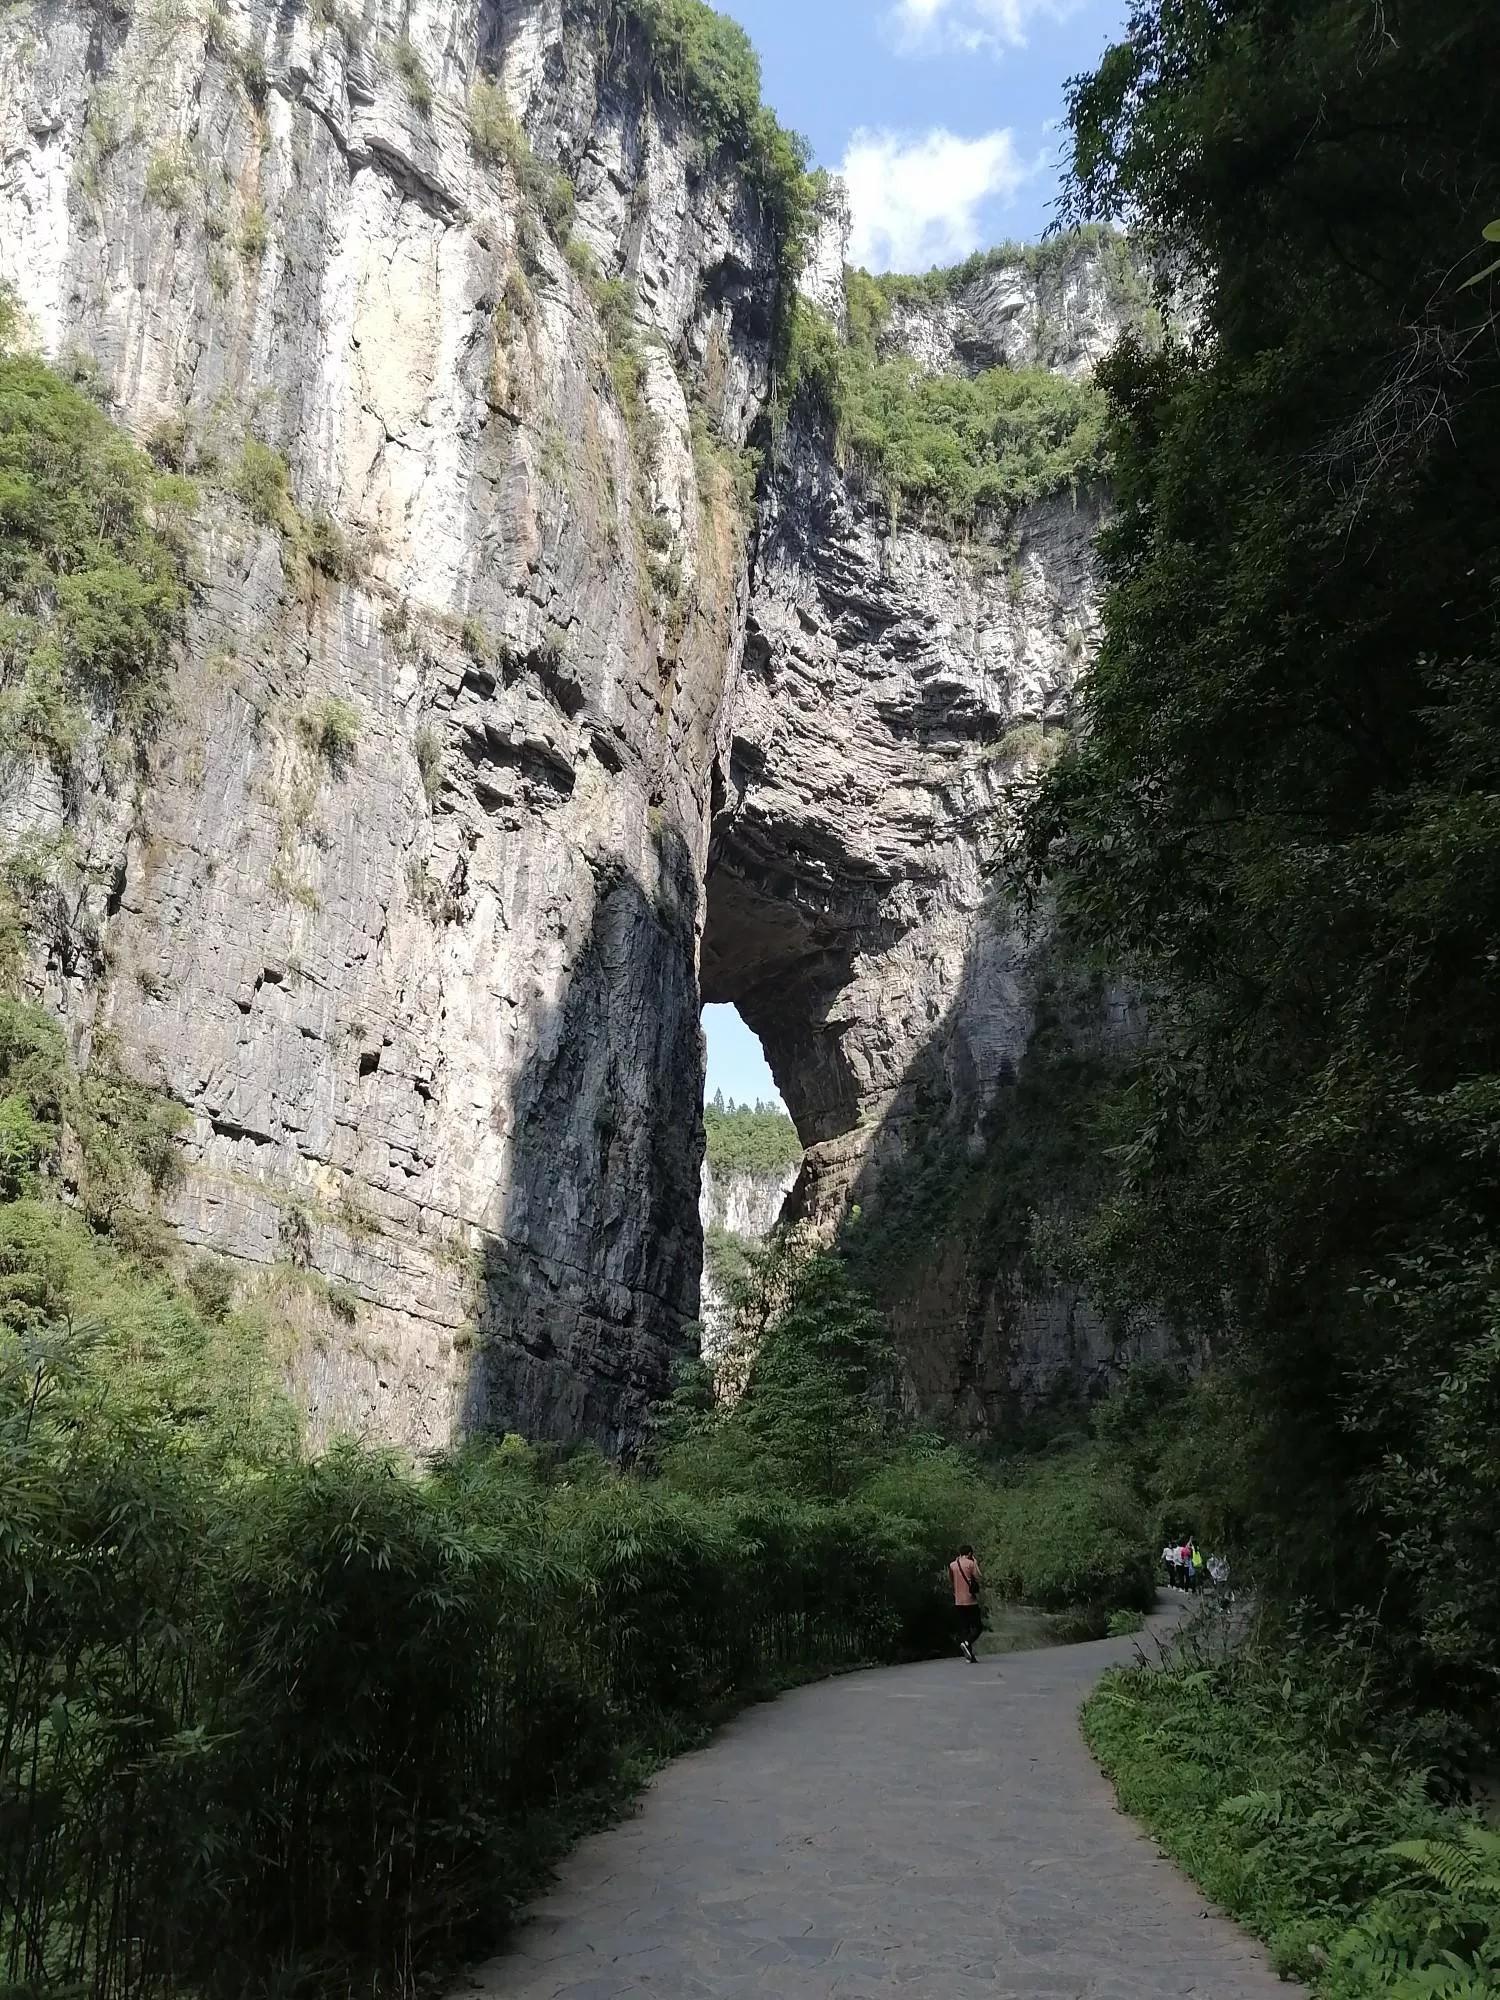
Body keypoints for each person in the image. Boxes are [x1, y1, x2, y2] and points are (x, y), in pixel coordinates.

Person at [950, 1544, 982, 1664]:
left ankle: (969, 1656)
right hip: (970, 1601)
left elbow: (952, 1581)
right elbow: (979, 1577)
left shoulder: (952, 1565)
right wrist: (975, 1562)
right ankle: (967, 1643)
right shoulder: (970, 1563)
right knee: (978, 1627)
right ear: (969, 1553)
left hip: (958, 1601)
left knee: (965, 1629)